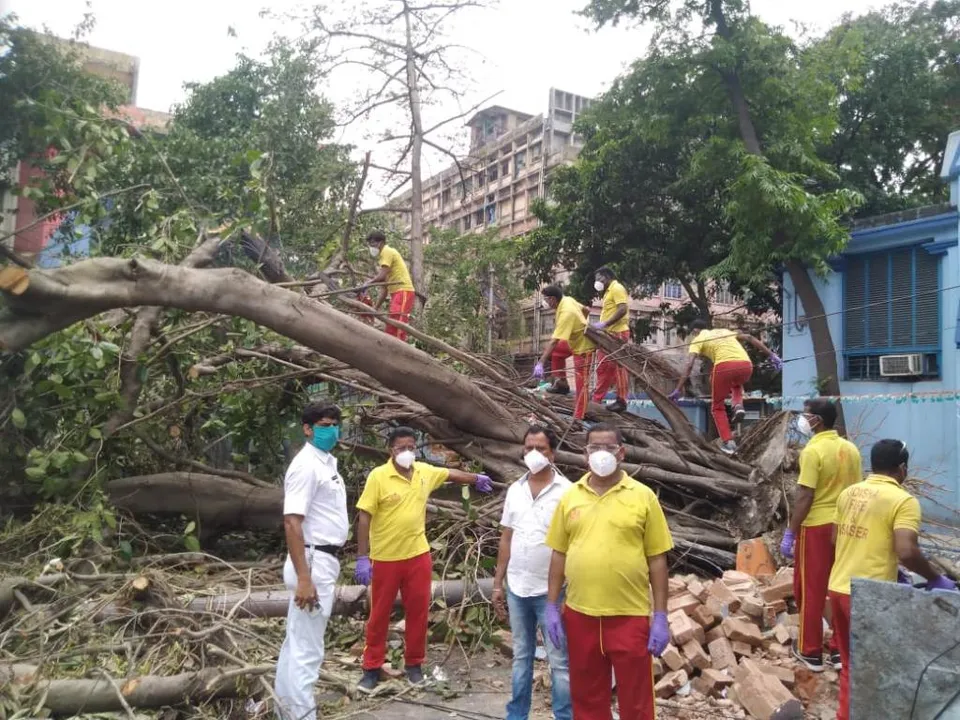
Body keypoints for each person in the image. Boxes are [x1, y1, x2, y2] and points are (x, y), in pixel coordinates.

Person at [544, 423, 673, 720]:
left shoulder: (643, 497)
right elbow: (559, 553)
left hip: (629, 615)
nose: (601, 453)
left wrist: (660, 615)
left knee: (636, 700)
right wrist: (551, 605)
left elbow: (657, 559)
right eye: (594, 447)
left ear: (621, 453)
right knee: (587, 698)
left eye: (608, 448)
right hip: (580, 614)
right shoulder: (570, 496)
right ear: (585, 453)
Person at [354, 426, 494, 692]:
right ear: (390, 450)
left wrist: (475, 478)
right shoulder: (378, 476)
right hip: (385, 558)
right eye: (401, 448)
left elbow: (450, 474)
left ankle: (414, 666)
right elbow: (365, 516)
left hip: (418, 556)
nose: (407, 452)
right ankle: (371, 667)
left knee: (418, 612)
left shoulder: (423, 472)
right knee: (379, 614)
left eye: (410, 447)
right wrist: (363, 557)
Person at [827, 439, 957, 720]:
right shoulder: (903, 501)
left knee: (851, 666)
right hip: (869, 595)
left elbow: (835, 539)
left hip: (838, 588)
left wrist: (886, 562)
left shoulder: (848, 493)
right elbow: (907, 551)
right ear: (902, 468)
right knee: (876, 670)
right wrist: (935, 578)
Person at [274, 403, 349, 720]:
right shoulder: (306, 465)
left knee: (296, 644)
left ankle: (285, 712)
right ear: (307, 429)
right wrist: (304, 578)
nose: (331, 430)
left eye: (334, 425)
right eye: (324, 425)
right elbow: (292, 522)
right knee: (308, 652)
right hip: (313, 561)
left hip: (319, 560)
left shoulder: (325, 463)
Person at [493, 426, 572, 720]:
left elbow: (573, 543)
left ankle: (564, 715)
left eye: (541, 448)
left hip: (553, 592)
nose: (534, 454)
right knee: (521, 656)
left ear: (553, 454)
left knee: (559, 661)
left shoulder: (567, 492)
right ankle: (517, 714)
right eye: (529, 448)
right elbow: (506, 538)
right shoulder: (516, 489)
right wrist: (498, 584)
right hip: (518, 587)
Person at [779, 399, 861, 673]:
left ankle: (810, 650)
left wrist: (791, 531)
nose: (803, 419)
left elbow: (805, 495)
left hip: (816, 527)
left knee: (811, 589)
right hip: (845, 526)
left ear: (817, 420)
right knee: (839, 587)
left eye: (807, 415)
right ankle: (839, 650)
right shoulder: (851, 449)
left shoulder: (812, 451)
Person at [670, 319, 782, 454]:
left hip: (724, 367)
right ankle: (738, 406)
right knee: (736, 383)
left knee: (717, 407)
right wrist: (772, 355)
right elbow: (749, 337)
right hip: (746, 365)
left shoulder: (698, 340)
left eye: (691, 334)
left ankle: (728, 442)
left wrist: (678, 389)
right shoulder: (724, 331)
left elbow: (689, 365)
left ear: (695, 331)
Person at [533, 285, 596, 420]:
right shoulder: (567, 300)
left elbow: (554, 341)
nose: (545, 302)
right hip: (573, 341)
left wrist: (540, 363)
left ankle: (579, 417)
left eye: (546, 299)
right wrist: (581, 324)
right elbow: (586, 310)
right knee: (556, 352)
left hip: (583, 348)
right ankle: (562, 384)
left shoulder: (566, 312)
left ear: (552, 299)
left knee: (581, 383)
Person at [362, 230, 416, 341]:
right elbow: (384, 288)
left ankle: (399, 349)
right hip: (396, 293)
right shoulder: (383, 258)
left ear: (380, 242)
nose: (371, 247)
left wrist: (368, 283)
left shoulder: (387, 252)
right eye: (370, 244)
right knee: (392, 324)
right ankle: (389, 347)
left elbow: (381, 276)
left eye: (372, 243)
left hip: (403, 291)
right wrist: (375, 308)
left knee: (399, 324)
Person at [590, 267, 631, 413]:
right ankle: (597, 399)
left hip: (617, 333)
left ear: (607, 277)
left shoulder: (617, 288)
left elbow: (622, 309)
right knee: (604, 367)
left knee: (618, 367)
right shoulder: (608, 292)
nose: (597, 282)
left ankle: (621, 400)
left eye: (599, 278)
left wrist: (605, 324)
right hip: (608, 333)